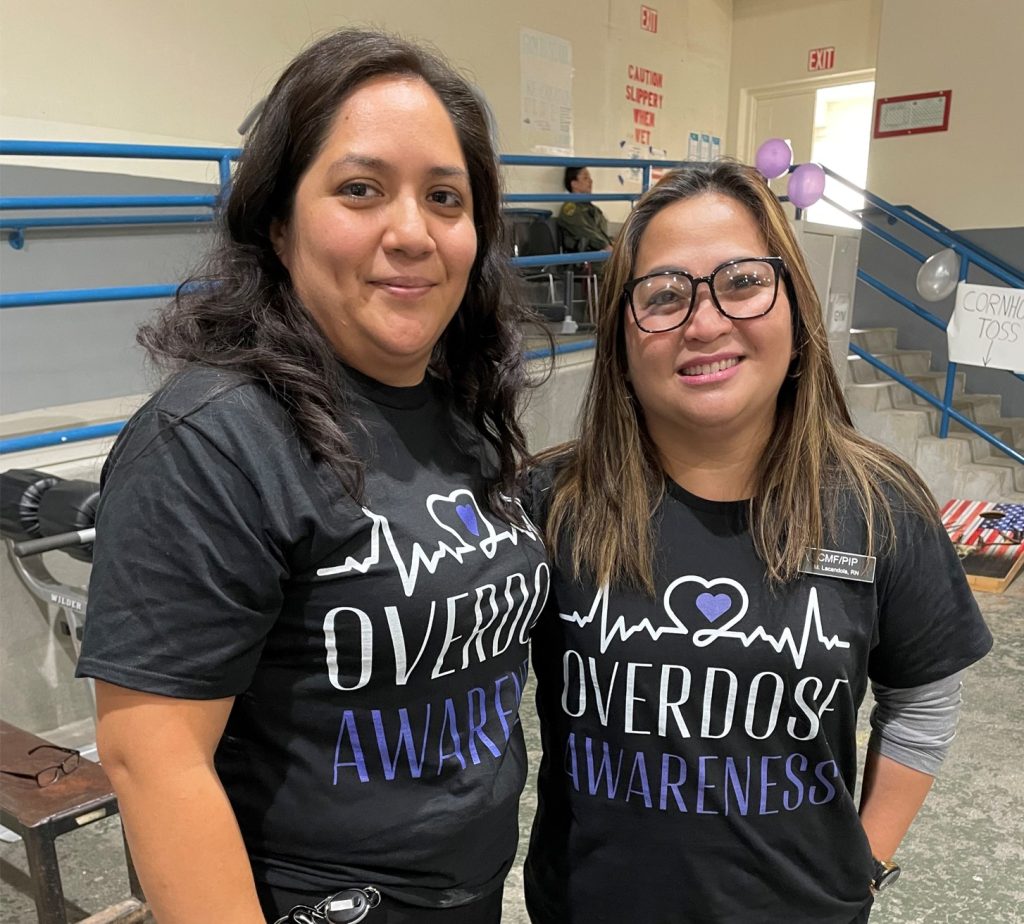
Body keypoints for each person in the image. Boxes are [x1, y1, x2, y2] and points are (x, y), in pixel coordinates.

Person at [76, 30, 550, 924]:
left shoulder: (460, 411)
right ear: (279, 222)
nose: (410, 232)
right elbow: (153, 760)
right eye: (361, 189)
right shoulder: (213, 441)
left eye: (444, 198)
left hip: (469, 893)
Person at [523, 162, 992, 923]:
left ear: (794, 304)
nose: (704, 323)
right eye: (665, 296)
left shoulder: (878, 506)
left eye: (741, 282)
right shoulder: (554, 505)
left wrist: (864, 860)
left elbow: (925, 698)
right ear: (620, 333)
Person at [555, 166, 613, 254]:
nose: (591, 181)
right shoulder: (570, 209)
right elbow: (587, 233)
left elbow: (602, 235)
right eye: (585, 178)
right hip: (586, 262)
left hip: (601, 257)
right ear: (574, 184)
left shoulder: (594, 210)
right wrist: (606, 246)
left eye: (590, 177)